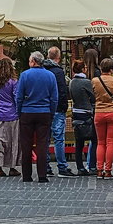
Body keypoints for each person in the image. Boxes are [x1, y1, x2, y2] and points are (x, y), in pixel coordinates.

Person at [15, 51, 57, 183]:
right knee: (42, 144)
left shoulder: (24, 75)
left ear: (33, 61)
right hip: (44, 112)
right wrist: (51, 112)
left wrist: (19, 111)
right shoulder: (50, 76)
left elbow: (19, 96)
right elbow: (54, 98)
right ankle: (42, 175)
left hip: (27, 112)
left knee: (26, 144)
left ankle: (27, 175)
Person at [0, 57, 21, 177]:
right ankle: (12, 167)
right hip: (12, 114)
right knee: (13, 142)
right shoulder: (13, 82)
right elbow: (17, 98)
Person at [43, 46, 73, 176]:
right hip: (57, 109)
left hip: (43, 108)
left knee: (45, 139)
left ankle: (46, 166)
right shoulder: (58, 72)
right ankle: (62, 166)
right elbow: (62, 91)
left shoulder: (42, 69)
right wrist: (63, 106)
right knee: (59, 138)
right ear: (58, 58)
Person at [91, 58, 113, 179]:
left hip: (99, 112)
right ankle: (108, 170)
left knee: (100, 142)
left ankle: (99, 170)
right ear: (111, 69)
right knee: (111, 142)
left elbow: (93, 95)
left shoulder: (95, 81)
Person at [69, 60, 96, 176]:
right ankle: (92, 165)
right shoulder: (86, 82)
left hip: (76, 113)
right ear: (83, 69)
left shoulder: (72, 82)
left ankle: (80, 167)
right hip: (87, 113)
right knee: (94, 140)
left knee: (78, 142)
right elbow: (93, 96)